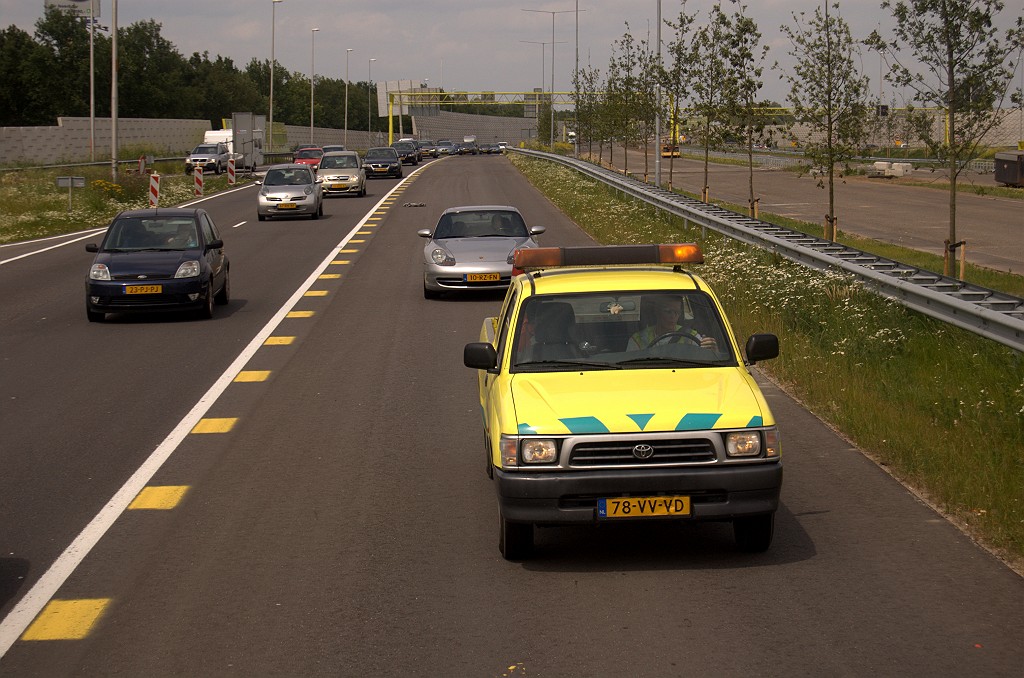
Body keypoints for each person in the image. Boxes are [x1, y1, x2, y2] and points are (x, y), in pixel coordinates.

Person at [626, 295, 717, 351]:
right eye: (668, 311)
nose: (673, 316)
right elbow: (628, 367)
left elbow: (707, 360)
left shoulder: (691, 336)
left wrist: (712, 350)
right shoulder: (638, 340)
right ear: (657, 312)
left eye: (676, 312)